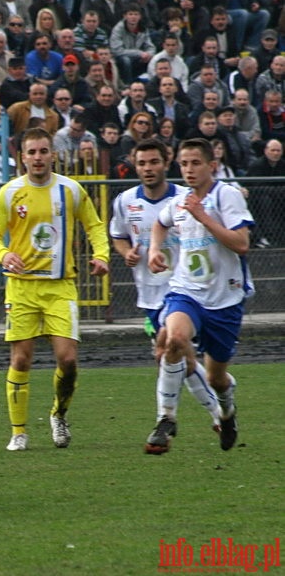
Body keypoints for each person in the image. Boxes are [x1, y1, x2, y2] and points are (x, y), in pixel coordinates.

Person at [0, 127, 110, 452]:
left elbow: (94, 224)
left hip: (60, 286)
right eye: (32, 152)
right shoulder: (10, 193)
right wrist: (3, 254)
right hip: (21, 288)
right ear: (21, 157)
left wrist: (101, 255)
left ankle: (59, 414)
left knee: (67, 360)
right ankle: (19, 432)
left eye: (43, 151)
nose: (38, 158)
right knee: (21, 359)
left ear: (53, 154)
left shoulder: (70, 190)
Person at [109, 139, 223, 454]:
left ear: (166, 162)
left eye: (154, 162)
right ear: (135, 164)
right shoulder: (125, 201)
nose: (148, 168)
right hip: (149, 294)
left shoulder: (186, 198)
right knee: (176, 358)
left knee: (170, 348)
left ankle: (167, 420)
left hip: (184, 290)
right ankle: (219, 413)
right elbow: (118, 236)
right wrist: (127, 253)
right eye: (142, 163)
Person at [147, 138, 252, 453]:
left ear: (212, 166)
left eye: (195, 163)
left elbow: (242, 243)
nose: (189, 170)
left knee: (217, 377)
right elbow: (160, 224)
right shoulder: (179, 201)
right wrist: (154, 250)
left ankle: (226, 410)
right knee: (173, 338)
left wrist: (203, 217)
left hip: (225, 300)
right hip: (186, 291)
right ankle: (165, 419)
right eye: (184, 163)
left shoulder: (227, 196)